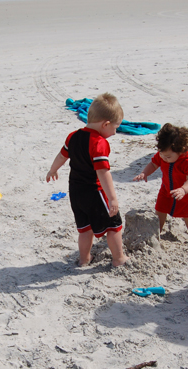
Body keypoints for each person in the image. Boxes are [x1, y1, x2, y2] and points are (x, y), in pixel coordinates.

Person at [46, 93, 129, 267]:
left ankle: (84, 259)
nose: (115, 132)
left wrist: (53, 169)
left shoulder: (73, 136)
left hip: (75, 192)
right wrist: (112, 198)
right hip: (94, 191)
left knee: (85, 229)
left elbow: (62, 155)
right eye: (115, 128)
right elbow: (103, 173)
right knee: (113, 226)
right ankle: (119, 258)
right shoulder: (99, 143)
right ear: (105, 124)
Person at [133, 123, 188, 243]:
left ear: (180, 150)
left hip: (185, 193)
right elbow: (153, 164)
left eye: (167, 156)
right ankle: (157, 232)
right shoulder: (162, 155)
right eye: (161, 154)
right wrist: (144, 173)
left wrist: (183, 189)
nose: (163, 158)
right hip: (166, 189)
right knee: (160, 210)